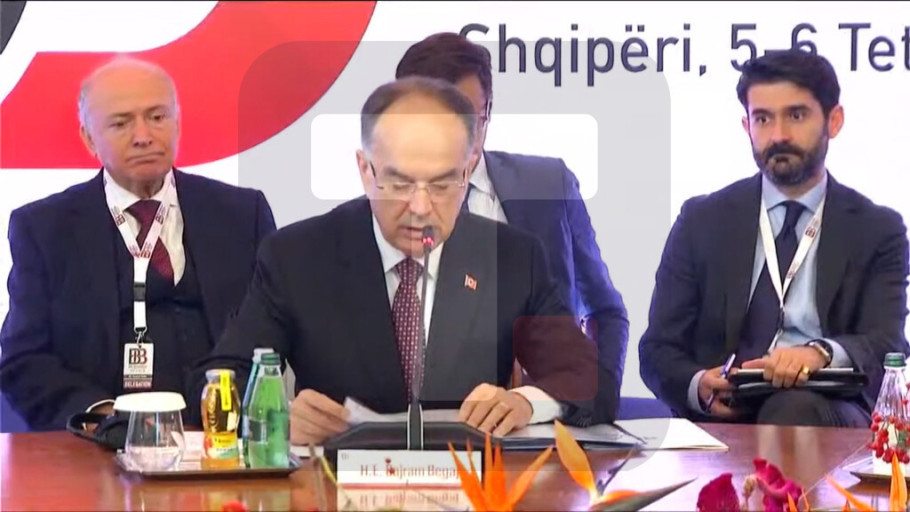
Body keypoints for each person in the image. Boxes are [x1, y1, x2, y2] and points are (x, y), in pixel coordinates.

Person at [188, 76, 599, 444]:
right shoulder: (297, 256)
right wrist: (274, 417)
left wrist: (526, 403)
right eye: (399, 183)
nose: (420, 207)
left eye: (442, 184)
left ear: (468, 171)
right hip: (334, 486)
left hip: (470, 484)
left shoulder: (512, 257)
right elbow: (219, 381)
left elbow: (587, 379)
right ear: (365, 170)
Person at [0, 56, 276, 431]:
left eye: (157, 117)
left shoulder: (242, 213)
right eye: (121, 123)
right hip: (100, 441)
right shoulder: (45, 228)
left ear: (178, 123)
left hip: (223, 432)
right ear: (88, 138)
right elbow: (24, 359)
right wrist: (103, 418)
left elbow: (272, 332)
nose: (143, 136)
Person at [639, 49, 909, 427]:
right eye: (763, 119)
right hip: (724, 415)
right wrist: (699, 386)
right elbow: (658, 349)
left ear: (833, 121)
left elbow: (886, 342)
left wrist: (819, 354)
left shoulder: (877, 229)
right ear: (746, 126)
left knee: (791, 407)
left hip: (825, 410)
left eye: (796, 116)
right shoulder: (701, 220)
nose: (778, 136)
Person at [394, 33, 628, 424]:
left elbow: (604, 311)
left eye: (467, 118)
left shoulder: (548, 186)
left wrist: (586, 400)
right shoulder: (381, 215)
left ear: (488, 112)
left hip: (540, 430)